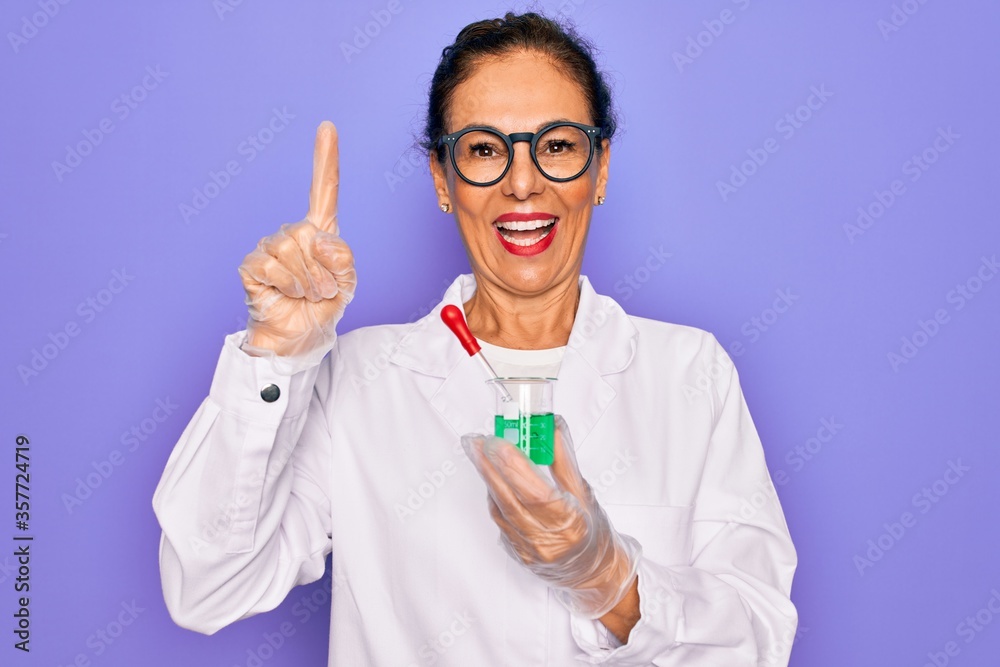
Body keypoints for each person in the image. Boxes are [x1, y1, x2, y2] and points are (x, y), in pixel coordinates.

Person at [153, 11, 798, 666]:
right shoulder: (359, 380)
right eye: (485, 149)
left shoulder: (689, 372)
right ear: (443, 179)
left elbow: (758, 638)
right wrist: (278, 357)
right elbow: (206, 587)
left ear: (599, 170)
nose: (522, 182)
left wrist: (608, 577)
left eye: (558, 144)